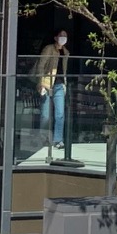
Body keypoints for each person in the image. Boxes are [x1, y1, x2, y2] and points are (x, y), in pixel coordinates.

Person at [34, 31, 69, 159]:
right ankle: (43, 138)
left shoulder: (66, 52)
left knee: (60, 114)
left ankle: (58, 140)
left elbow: (64, 70)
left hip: (59, 85)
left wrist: (64, 84)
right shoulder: (49, 49)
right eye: (61, 36)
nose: (63, 38)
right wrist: (40, 82)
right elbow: (41, 65)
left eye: (65, 36)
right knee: (45, 115)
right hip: (47, 83)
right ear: (55, 37)